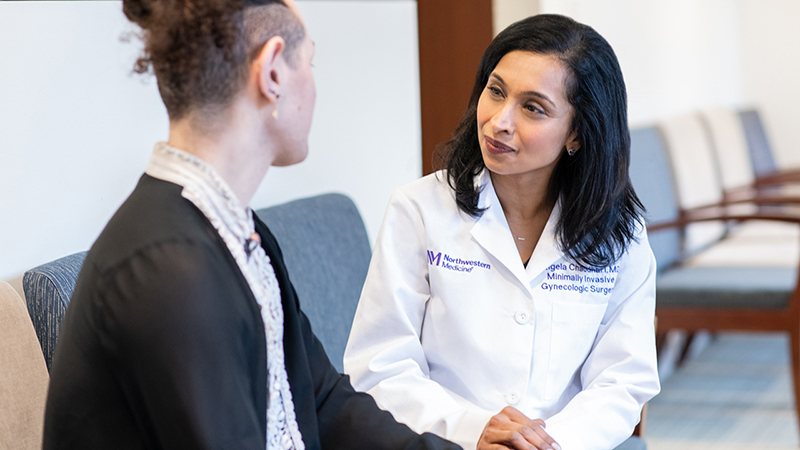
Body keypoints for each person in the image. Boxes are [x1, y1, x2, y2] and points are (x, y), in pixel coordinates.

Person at [41, 1, 462, 449]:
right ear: (273, 72)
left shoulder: (235, 230)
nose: (316, 86)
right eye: (310, 62)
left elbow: (321, 399)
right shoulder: (170, 267)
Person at [344, 14, 660, 450]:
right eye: (495, 91)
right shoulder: (418, 210)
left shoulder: (619, 235)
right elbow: (379, 365)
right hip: (443, 441)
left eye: (533, 107)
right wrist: (473, 429)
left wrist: (545, 444)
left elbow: (623, 379)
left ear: (576, 134)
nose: (499, 122)